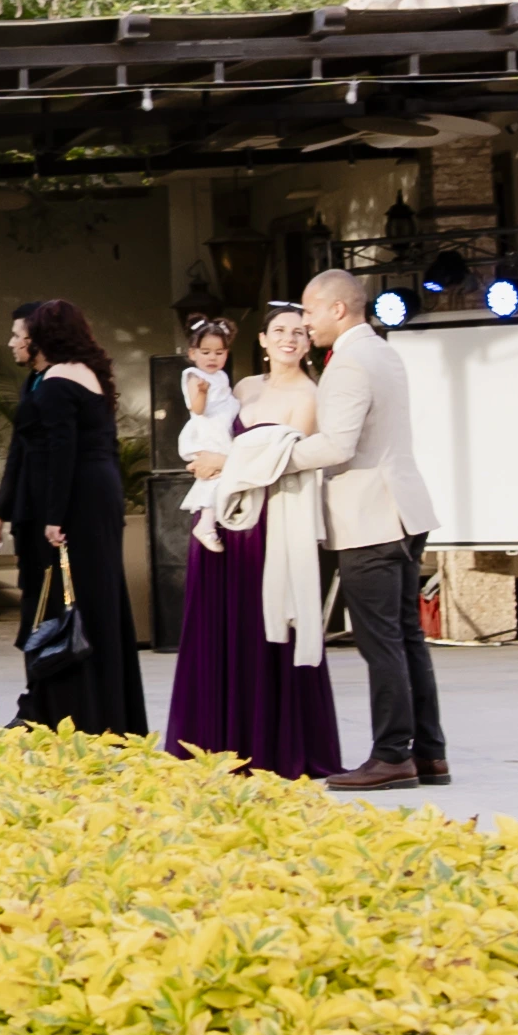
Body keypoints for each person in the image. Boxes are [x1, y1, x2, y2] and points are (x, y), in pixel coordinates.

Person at [162, 305, 343, 779]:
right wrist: (206, 460)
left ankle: (268, 744)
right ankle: (213, 742)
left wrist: (223, 463)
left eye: (300, 332)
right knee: (216, 628)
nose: (290, 339)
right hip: (224, 519)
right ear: (262, 340)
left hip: (270, 523)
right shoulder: (242, 388)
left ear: (308, 343)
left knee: (261, 627)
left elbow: (289, 459)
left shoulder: (308, 394)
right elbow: (212, 428)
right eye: (280, 331)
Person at [294, 268, 449, 792]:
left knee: (381, 642)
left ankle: (391, 755)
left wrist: (271, 457)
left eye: (309, 311)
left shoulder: (351, 362)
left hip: (371, 517)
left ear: (338, 308)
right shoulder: (383, 351)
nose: (304, 322)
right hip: (402, 508)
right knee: (406, 639)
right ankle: (429, 754)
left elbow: (337, 444)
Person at [0, 300, 146, 735]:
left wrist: (54, 518)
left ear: (43, 337)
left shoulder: (56, 381)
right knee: (77, 603)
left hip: (73, 503)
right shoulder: (63, 377)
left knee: (69, 604)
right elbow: (26, 451)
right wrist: (1, 511)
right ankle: (65, 707)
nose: (14, 341)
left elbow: (62, 453)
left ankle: (75, 715)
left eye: (22, 334)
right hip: (90, 498)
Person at [178, 316, 238, 441]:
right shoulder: (195, 377)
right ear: (193, 354)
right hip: (209, 429)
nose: (212, 357)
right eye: (206, 352)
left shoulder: (221, 375)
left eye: (219, 353)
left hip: (226, 422)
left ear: (226, 353)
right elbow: (198, 410)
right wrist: (202, 392)